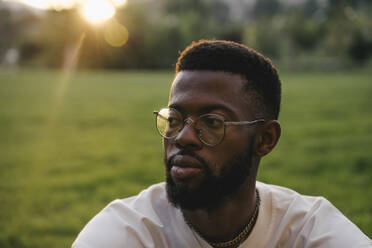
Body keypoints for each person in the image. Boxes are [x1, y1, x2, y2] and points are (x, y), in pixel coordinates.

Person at [72, 40, 371, 248]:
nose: (183, 138)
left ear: (265, 140)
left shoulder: (308, 230)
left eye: (212, 123)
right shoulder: (126, 234)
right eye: (174, 119)